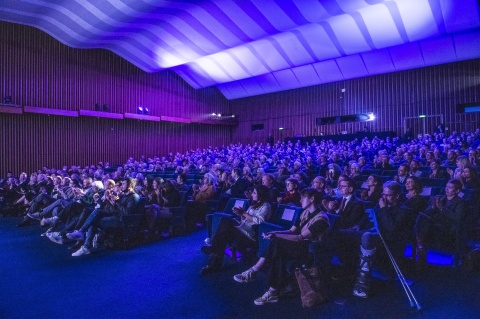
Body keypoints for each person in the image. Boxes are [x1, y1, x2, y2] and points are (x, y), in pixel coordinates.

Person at [246, 188, 330, 306]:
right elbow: (291, 231)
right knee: (277, 248)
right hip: (297, 245)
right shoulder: (303, 212)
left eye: (303, 197)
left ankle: (255, 271)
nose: (300, 200)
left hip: (308, 249)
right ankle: (272, 290)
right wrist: (274, 233)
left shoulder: (322, 219)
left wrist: (277, 235)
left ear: (312, 199)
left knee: (277, 243)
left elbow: (300, 237)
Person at [353, 181, 412, 298]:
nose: (384, 198)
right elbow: (370, 219)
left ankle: (363, 280)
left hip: (390, 240)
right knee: (346, 235)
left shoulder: (404, 210)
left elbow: (392, 229)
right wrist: (358, 227)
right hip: (377, 235)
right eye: (383, 194)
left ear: (397, 196)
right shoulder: (380, 205)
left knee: (367, 236)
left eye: (388, 195)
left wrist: (384, 209)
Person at [200, 185, 271, 274]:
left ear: (261, 194)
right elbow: (245, 219)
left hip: (251, 235)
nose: (252, 194)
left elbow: (260, 221)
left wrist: (244, 213)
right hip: (242, 230)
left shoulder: (266, 205)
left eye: (254, 193)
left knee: (226, 223)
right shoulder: (254, 204)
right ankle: (213, 264)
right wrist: (240, 214)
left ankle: (213, 254)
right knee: (222, 235)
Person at [414, 179, 468, 268]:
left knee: (421, 224)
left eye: (450, 188)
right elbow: (426, 213)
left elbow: (457, 218)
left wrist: (442, 208)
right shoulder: (440, 198)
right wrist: (432, 206)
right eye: (446, 187)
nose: (446, 189)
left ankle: (420, 249)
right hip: (435, 223)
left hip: (448, 227)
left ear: (457, 190)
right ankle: (421, 249)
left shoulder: (461, 202)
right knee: (421, 217)